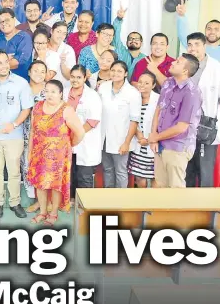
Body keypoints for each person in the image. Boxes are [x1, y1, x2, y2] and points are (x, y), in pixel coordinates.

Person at [26, 80, 85, 225]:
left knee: (56, 184)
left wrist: (69, 145)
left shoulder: (66, 109)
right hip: (39, 152)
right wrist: (30, 152)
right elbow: (33, 131)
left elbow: (80, 132)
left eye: (53, 91)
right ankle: (43, 212)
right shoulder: (38, 107)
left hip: (59, 155)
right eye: (47, 91)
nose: (49, 94)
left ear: (60, 94)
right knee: (40, 184)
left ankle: (53, 214)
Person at [0, 50, 32, 219]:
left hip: (14, 135)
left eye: (6, 62)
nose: (4, 65)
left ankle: (15, 202)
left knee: (14, 171)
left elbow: (26, 108)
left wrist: (13, 124)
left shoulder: (21, 83)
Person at [184, 32, 220, 188]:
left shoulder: (216, 68)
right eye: (190, 44)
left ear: (204, 46)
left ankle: (206, 209)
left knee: (205, 171)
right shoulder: (183, 64)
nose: (193, 48)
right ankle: (187, 208)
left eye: (197, 44)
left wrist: (213, 120)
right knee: (187, 170)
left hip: (207, 127)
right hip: (185, 127)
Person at [149, 54, 202, 188]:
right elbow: (158, 109)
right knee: (160, 186)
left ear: (185, 71)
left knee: (176, 190)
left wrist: (155, 137)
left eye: (178, 62)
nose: (173, 62)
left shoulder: (192, 92)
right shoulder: (168, 83)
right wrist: (154, 137)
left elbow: (181, 127)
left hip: (177, 147)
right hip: (160, 144)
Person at [98, 61, 141, 189]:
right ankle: (108, 200)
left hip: (121, 139)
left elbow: (134, 120)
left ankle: (121, 203)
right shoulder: (103, 87)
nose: (115, 73)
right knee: (107, 169)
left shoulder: (133, 93)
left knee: (120, 171)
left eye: (119, 71)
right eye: (113, 70)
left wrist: (126, 142)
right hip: (104, 137)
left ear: (125, 74)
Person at [65, 65, 102, 208]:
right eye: (72, 77)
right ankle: (71, 200)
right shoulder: (65, 93)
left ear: (85, 78)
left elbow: (92, 121)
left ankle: (86, 205)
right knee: (70, 173)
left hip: (84, 140)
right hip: (68, 141)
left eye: (78, 77)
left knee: (84, 175)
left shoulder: (92, 95)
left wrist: (77, 135)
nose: (75, 80)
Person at [23, 61, 48, 213]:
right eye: (36, 70)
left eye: (42, 71)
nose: (39, 74)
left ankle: (44, 201)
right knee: (28, 167)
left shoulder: (50, 91)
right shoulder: (22, 88)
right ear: (29, 72)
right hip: (24, 135)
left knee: (45, 169)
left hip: (46, 137)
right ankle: (35, 199)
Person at [128, 72, 160, 188]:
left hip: (153, 144)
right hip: (138, 142)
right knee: (139, 176)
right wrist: (139, 136)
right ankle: (142, 204)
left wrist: (150, 139)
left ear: (153, 85)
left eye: (147, 83)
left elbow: (161, 123)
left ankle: (153, 204)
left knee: (155, 176)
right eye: (140, 82)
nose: (142, 85)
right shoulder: (133, 97)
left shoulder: (159, 100)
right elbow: (130, 118)